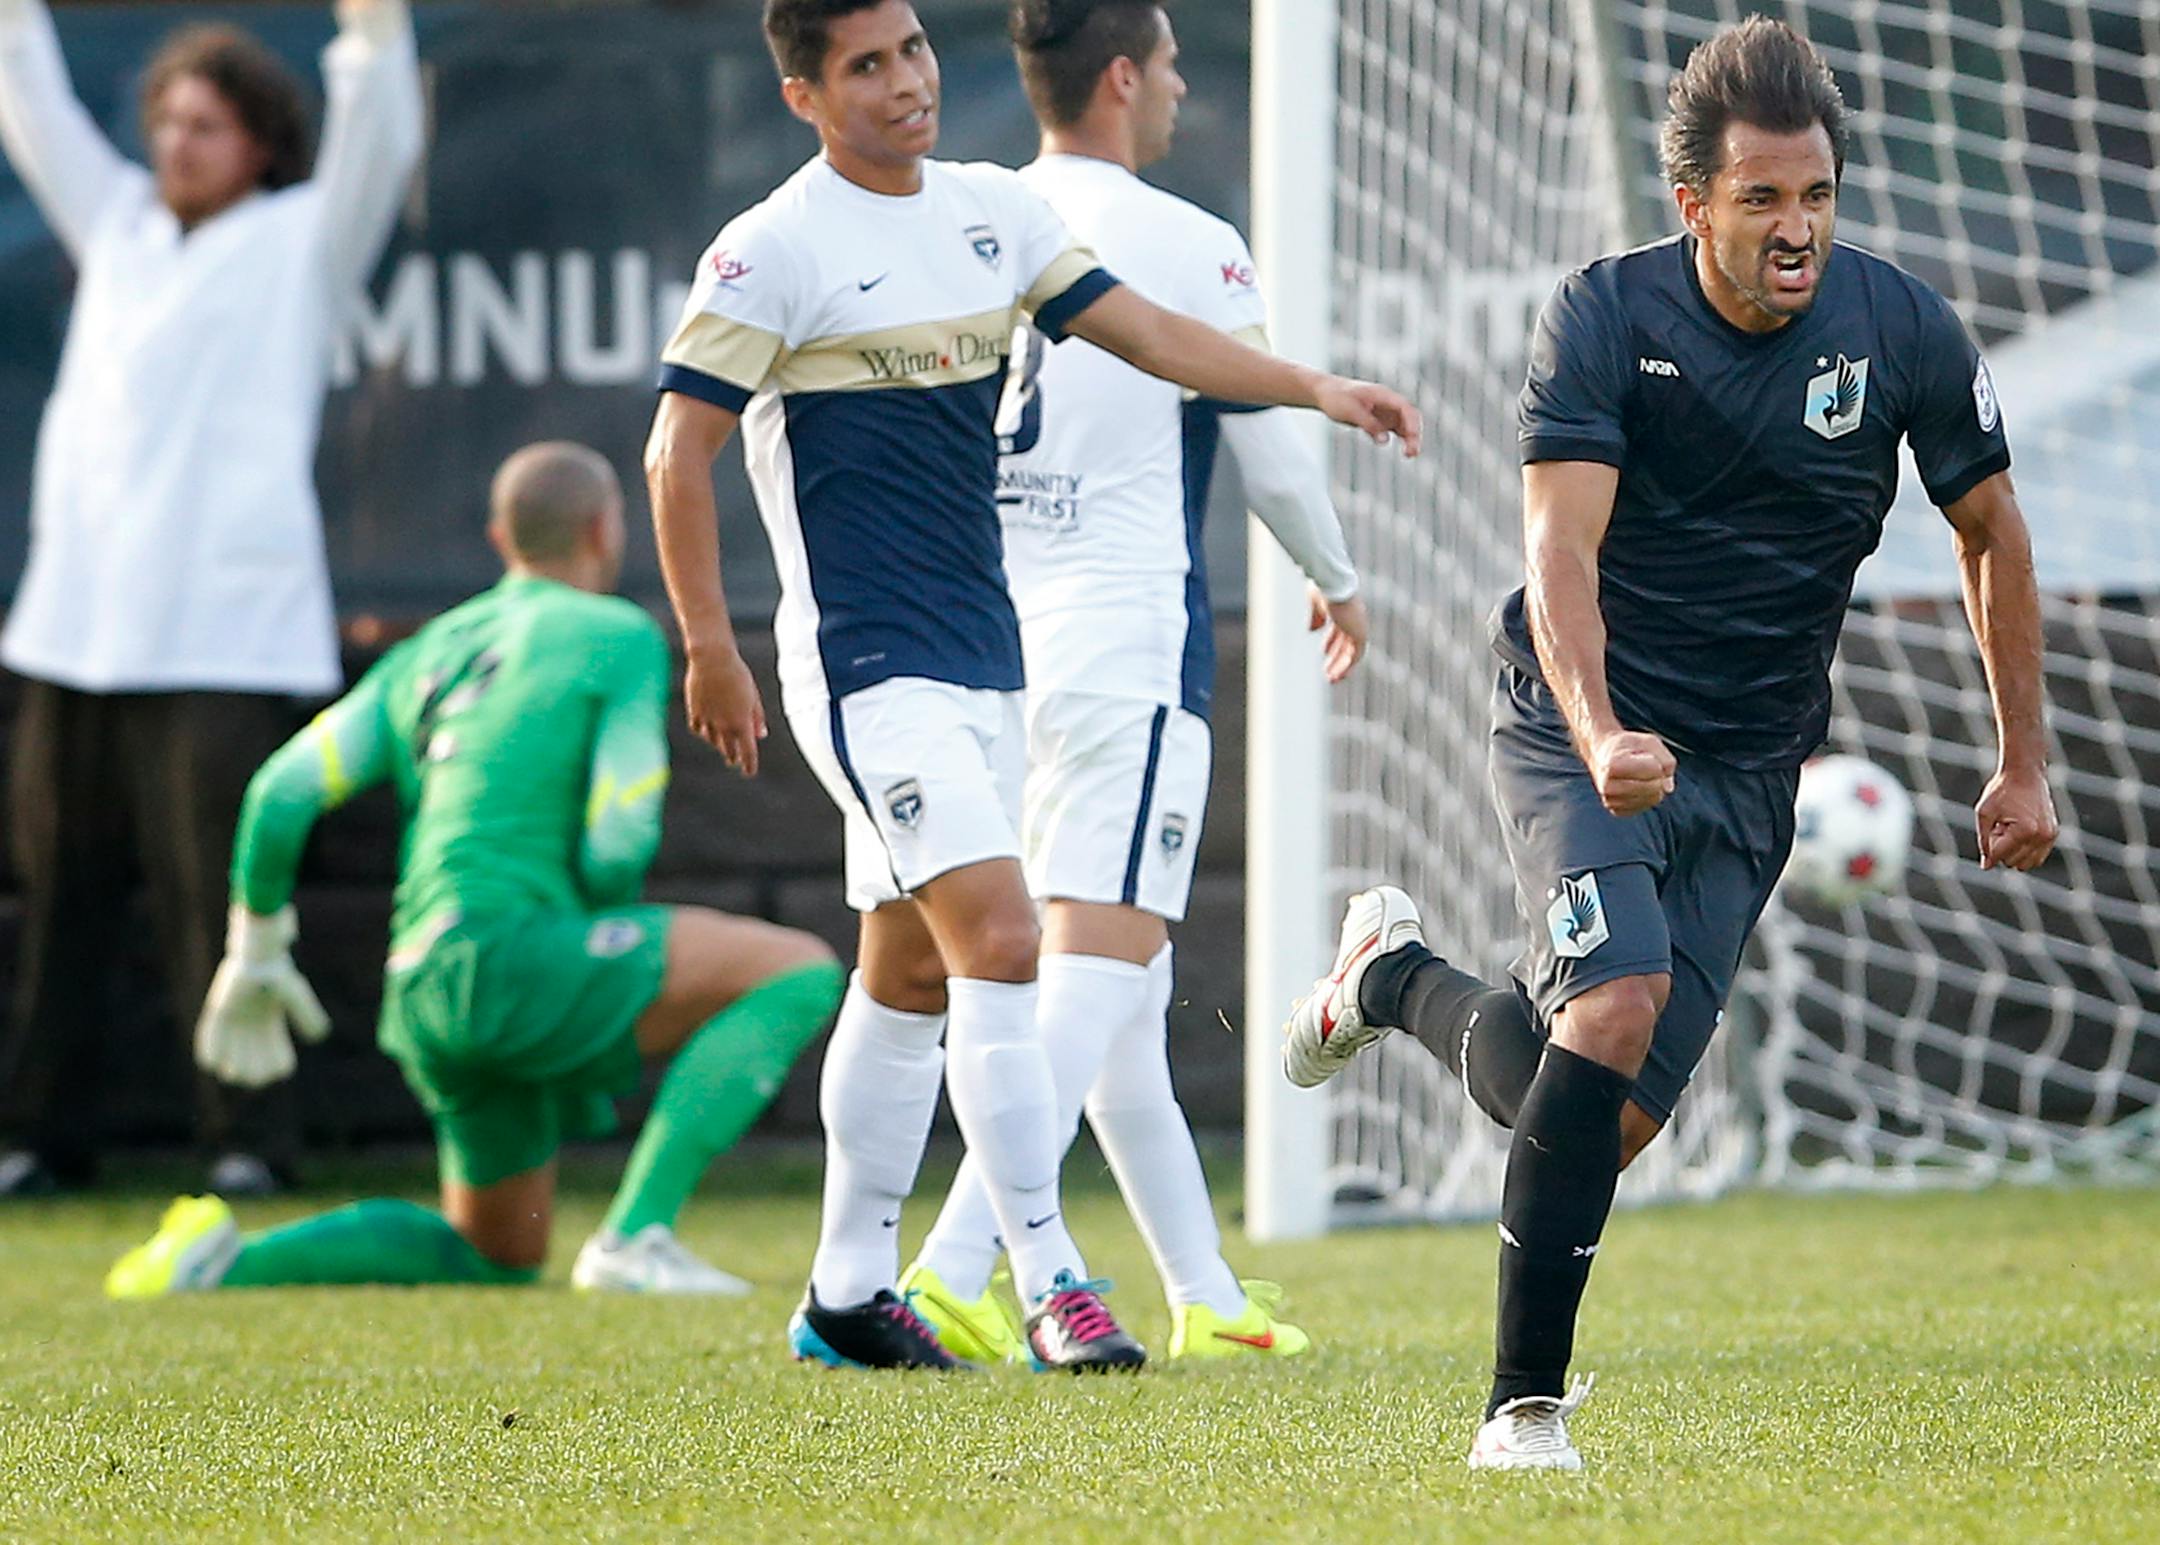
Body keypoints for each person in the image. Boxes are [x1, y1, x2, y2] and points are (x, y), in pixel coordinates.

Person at [1281, 17, 2057, 1469]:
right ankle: (1522, 1410)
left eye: (1816, 194)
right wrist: (1602, 729)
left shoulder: (1901, 332)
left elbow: (1991, 531)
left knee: (1601, 1112)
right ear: (1692, 203)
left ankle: (1389, 978)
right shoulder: (1604, 316)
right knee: (1619, 1001)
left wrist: (2023, 757)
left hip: (1752, 767)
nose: (1797, 227)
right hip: (1579, 722)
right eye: (1762, 198)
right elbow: (1557, 556)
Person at [644, 0, 1418, 1371]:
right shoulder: (769, 248)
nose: (905, 84)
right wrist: (710, 643)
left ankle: (844, 1290)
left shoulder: (994, 214)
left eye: (916, 52)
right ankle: (1048, 1279)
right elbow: (674, 456)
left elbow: (1160, 340)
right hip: (862, 666)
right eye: (866, 67)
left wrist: (1312, 385)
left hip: (992, 654)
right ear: (804, 97)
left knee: (903, 972)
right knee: (1004, 940)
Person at [899, 0, 1367, 1365]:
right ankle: (953, 1265)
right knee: (1098, 968)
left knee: (1119, 976)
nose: (1174, 88)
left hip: (993, 647)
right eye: (1164, 64)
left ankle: (1208, 1296)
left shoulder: (971, 215)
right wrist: (1336, 575)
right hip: (1122, 639)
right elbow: (1271, 447)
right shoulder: (1183, 238)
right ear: (1119, 77)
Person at [104, 443, 845, 1299]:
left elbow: (280, 792)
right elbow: (619, 835)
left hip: (421, 986)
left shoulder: (428, 652)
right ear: (606, 530)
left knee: (495, 1249)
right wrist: (589, 942)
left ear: (501, 536)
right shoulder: (616, 635)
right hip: (519, 956)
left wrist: (257, 950)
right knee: (798, 971)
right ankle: (636, 1236)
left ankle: (229, 1264)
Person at [0, 0, 424, 1198]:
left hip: (228, 639)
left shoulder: (304, 241)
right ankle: (40, 1137)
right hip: (72, 629)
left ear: (263, 146)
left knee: (223, 906)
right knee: (59, 902)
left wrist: (373, 28)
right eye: (170, 122)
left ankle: (246, 1142)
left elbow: (379, 133)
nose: (182, 143)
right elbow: (26, 94)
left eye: (212, 125)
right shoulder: (119, 222)